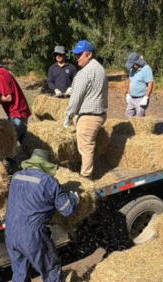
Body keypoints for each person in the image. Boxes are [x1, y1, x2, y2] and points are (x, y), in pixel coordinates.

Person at [5, 149, 80, 282]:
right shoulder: (48, 181)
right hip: (32, 234)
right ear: (46, 166)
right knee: (50, 267)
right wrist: (74, 199)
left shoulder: (16, 176)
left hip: (11, 231)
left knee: (20, 272)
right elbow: (67, 210)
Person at [63, 40, 109, 179]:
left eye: (80, 55)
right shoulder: (100, 69)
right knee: (90, 144)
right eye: (76, 55)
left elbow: (75, 99)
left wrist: (68, 116)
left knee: (85, 147)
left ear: (89, 54)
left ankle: (86, 176)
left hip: (89, 116)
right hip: (101, 114)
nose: (77, 58)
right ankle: (90, 168)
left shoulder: (84, 73)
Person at [124, 52, 154, 118]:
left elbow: (150, 83)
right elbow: (130, 81)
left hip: (141, 98)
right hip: (132, 98)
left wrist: (146, 97)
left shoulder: (146, 69)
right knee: (128, 115)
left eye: (133, 65)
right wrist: (128, 94)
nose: (131, 66)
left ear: (137, 62)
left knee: (140, 118)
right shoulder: (132, 69)